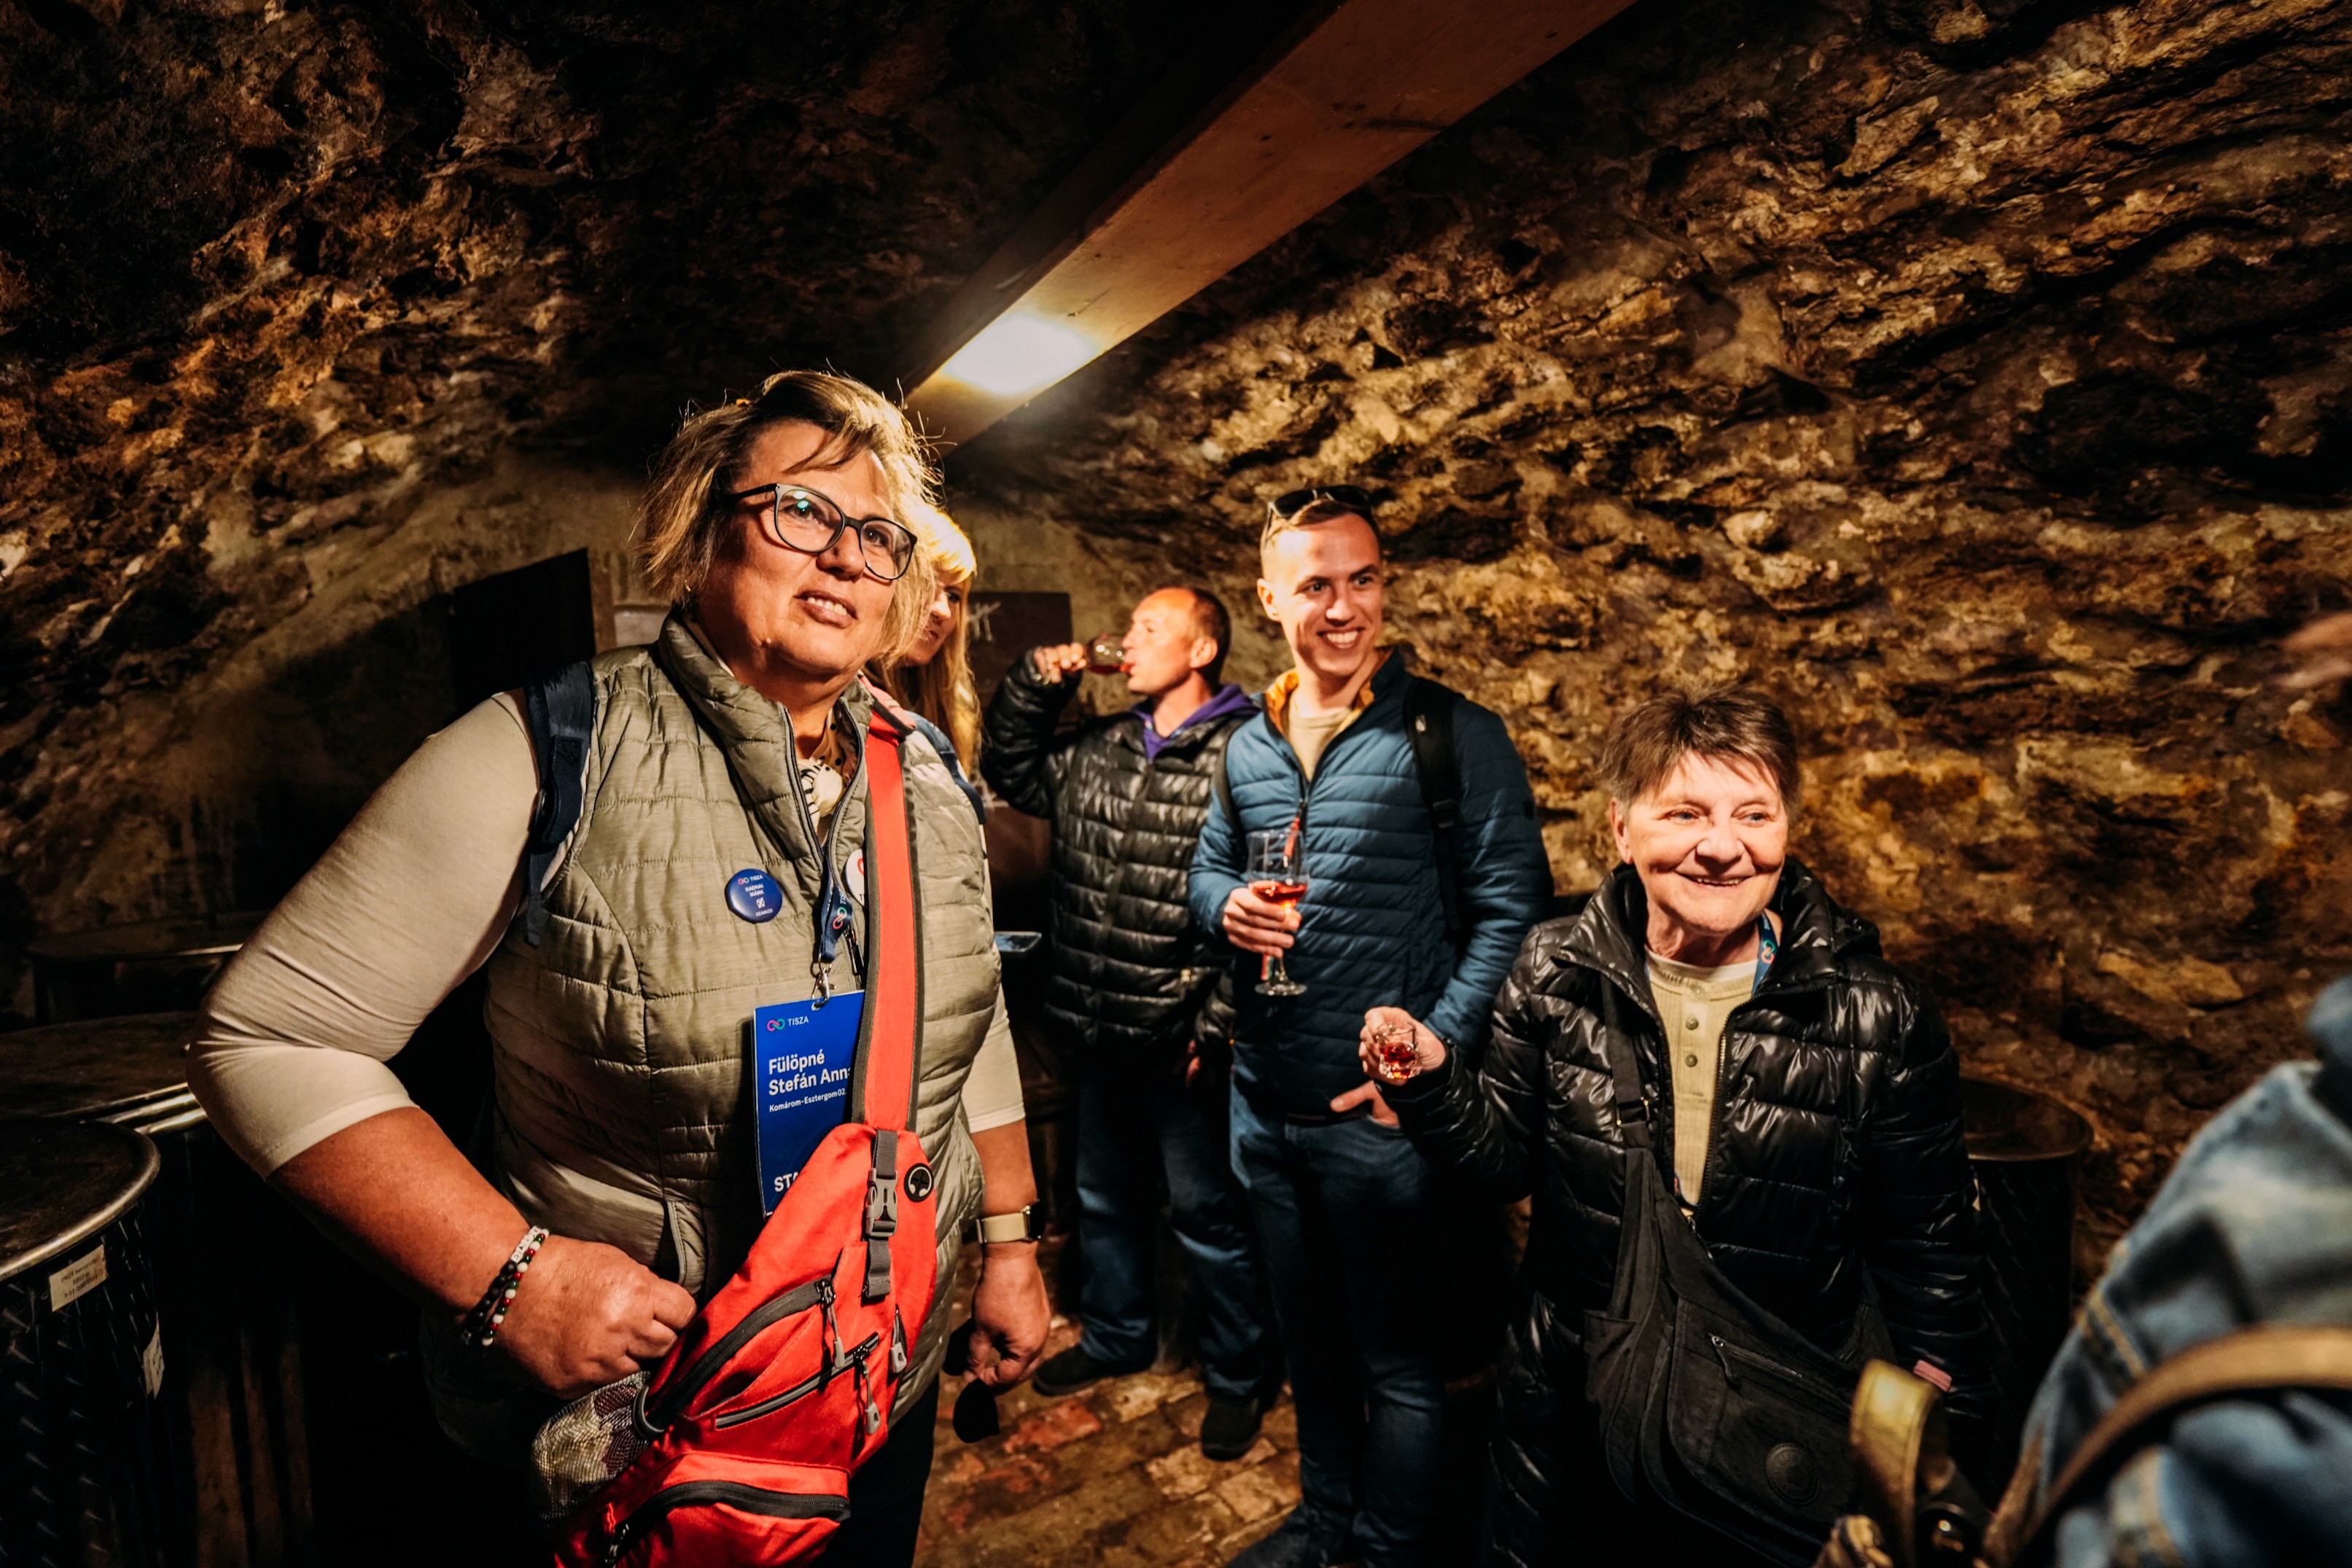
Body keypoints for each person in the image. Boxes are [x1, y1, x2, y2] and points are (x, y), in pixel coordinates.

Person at [186, 370, 1051, 1567]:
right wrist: (509, 1273)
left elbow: (970, 1023)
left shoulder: (931, 778)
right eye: (802, 511)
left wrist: (1007, 1245)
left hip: (870, 1375)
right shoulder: (546, 749)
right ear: (698, 535)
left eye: (878, 533)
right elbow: (267, 1038)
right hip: (651, 1418)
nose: (852, 557)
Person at [1371, 684, 1990, 1567]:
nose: (1722, 847)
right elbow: (1501, 1162)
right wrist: (1435, 1083)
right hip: (1576, 1397)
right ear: (1621, 830)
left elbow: (1930, 1243)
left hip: (1775, 1409)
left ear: (1787, 830)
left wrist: (1939, 1414)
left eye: (1754, 813)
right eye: (1685, 812)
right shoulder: (1555, 970)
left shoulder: (1875, 1014)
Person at [1189, 488, 1553, 1568]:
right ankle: (1324, 1520)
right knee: (1312, 1344)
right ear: (1270, 599)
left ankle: (1388, 1548)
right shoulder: (1247, 741)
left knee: (1399, 1359)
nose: (1343, 606)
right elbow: (1208, 868)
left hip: (1379, 1121)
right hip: (1266, 1102)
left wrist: (1422, 1067)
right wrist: (1224, 906)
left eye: (1362, 578)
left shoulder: (1451, 733)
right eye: (1315, 584)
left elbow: (1511, 914)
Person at [981, 586, 1272, 1459]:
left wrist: (1216, 1026)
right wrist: (1037, 681)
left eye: (1153, 628)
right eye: (1131, 624)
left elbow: (1266, 898)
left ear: (1202, 648)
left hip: (1182, 1039)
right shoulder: (1100, 745)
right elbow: (1014, 769)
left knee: (1206, 1220)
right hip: (1099, 1027)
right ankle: (1115, 1338)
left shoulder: (1247, 752)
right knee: (1102, 1200)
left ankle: (1237, 1377)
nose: (1128, 640)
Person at [881, 501, 982, 776]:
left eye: (953, 596)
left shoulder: (937, 707)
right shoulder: (838, 699)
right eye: (926, 584)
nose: (942, 610)